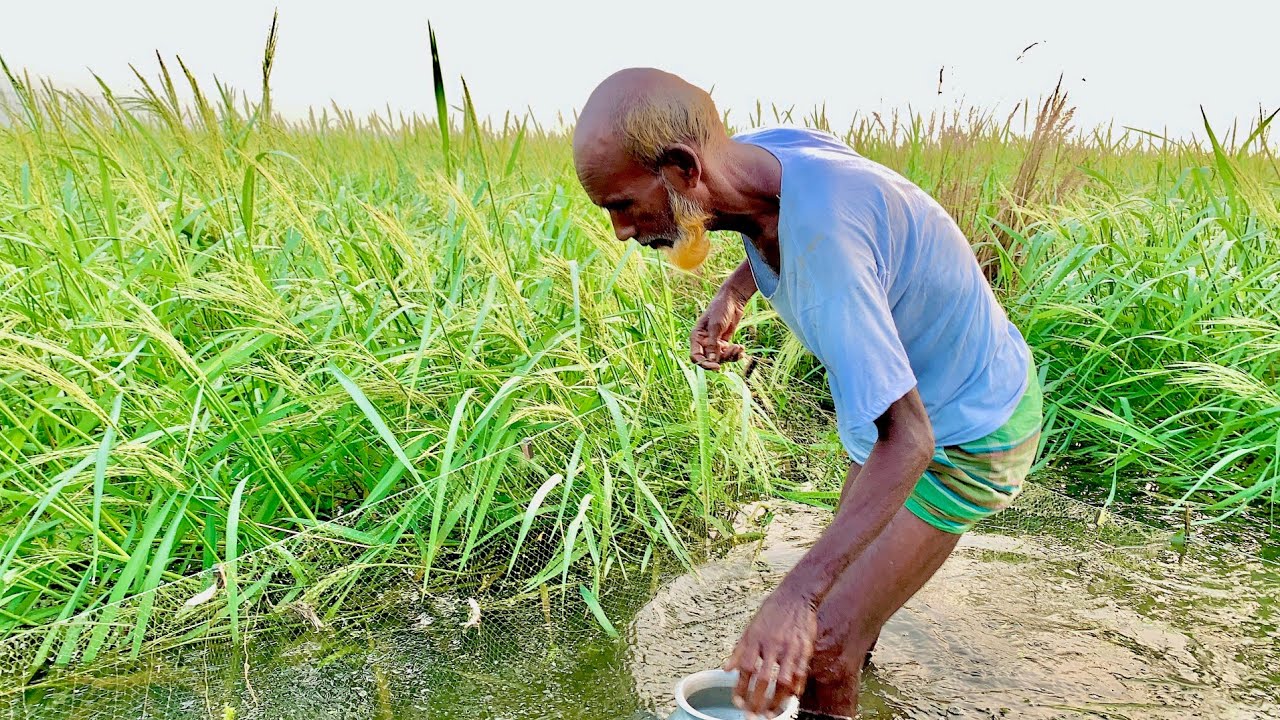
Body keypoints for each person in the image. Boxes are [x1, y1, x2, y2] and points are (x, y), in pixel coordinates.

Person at [571, 68, 1042, 720]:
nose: (621, 231)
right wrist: (736, 289)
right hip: (912, 395)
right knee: (843, 615)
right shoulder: (757, 161)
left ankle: (838, 668)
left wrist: (794, 600)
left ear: (681, 169)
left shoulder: (829, 249)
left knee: (818, 644)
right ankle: (855, 670)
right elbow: (772, 215)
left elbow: (909, 443)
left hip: (969, 423)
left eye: (621, 205)